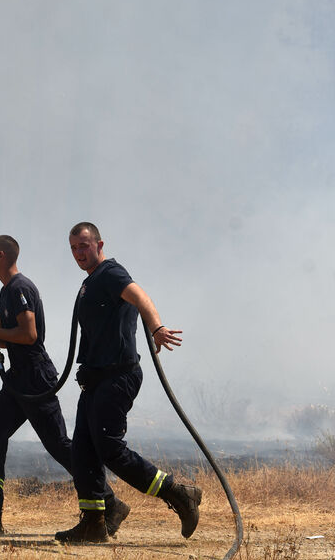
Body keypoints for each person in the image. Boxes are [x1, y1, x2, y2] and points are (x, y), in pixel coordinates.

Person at [0, 235, 127, 536]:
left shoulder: (19, 288)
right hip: (19, 378)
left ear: (2, 256)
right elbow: (0, 335)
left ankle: (109, 501)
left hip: (35, 378)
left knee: (60, 446)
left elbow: (28, 335)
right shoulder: (6, 291)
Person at [55, 222, 202, 544]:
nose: (79, 254)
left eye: (84, 246)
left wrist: (156, 328)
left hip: (117, 376)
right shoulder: (90, 282)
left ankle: (179, 493)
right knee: (83, 451)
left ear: (99, 244)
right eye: (74, 249)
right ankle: (94, 523)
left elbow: (139, 295)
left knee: (109, 448)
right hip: (95, 379)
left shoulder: (110, 273)